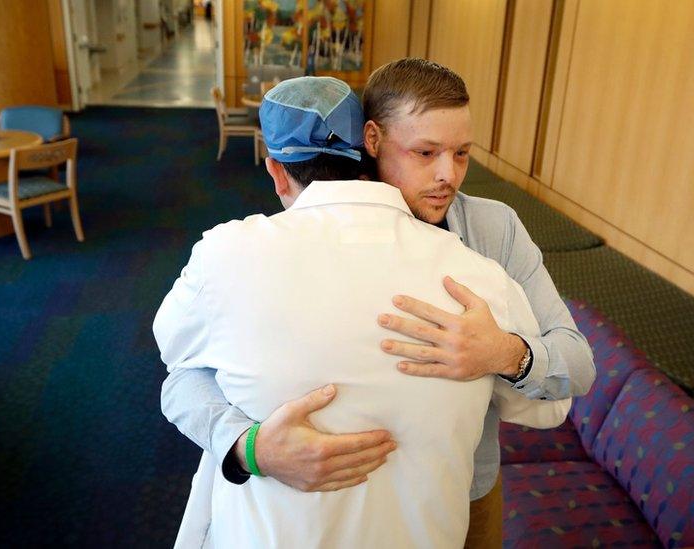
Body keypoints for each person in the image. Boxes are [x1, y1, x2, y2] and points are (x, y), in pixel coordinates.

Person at [161, 60, 596, 546]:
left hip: (457, 487)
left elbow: (572, 373)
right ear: (371, 140)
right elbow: (184, 375)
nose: (447, 176)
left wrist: (505, 353)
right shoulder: (261, 252)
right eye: (425, 152)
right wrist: (249, 446)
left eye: (462, 154)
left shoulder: (491, 239)